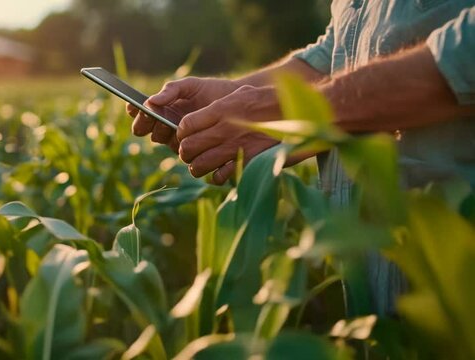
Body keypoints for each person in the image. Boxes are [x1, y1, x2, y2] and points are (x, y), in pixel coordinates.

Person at [127, 1, 475, 315]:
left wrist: (289, 113)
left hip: (454, 273)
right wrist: (233, 99)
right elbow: (338, 50)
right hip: (375, 281)